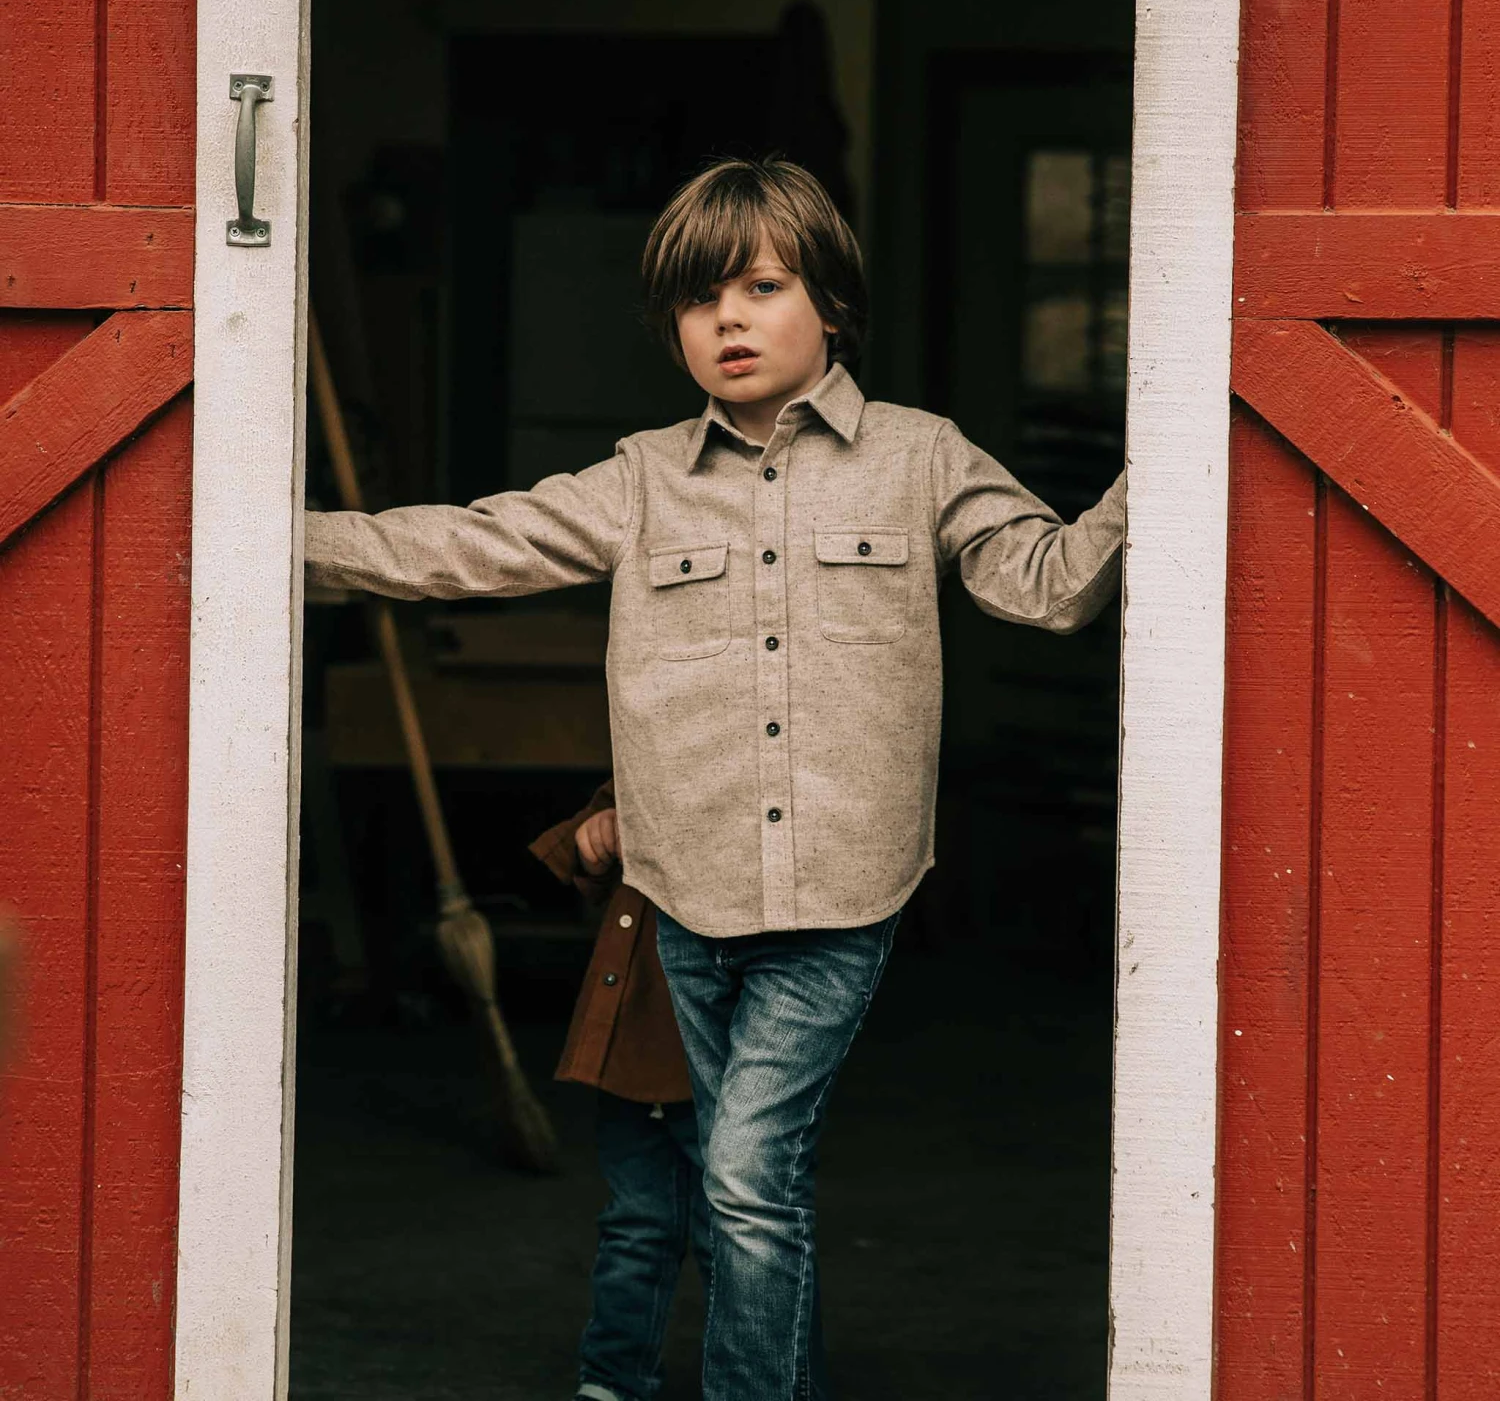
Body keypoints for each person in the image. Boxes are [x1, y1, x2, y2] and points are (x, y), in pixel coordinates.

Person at [305, 155, 1126, 1399]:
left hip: (843, 893)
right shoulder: (641, 477)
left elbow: (1049, 586)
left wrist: (1169, 454)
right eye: (699, 300)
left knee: (744, 1173)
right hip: (683, 892)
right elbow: (471, 543)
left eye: (760, 287)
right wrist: (269, 538)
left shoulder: (919, 456)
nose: (728, 320)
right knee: (732, 1179)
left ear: (832, 304)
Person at [528, 779, 709, 1401]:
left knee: (741, 1231)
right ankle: (613, 1379)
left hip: (724, 1038)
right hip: (637, 1035)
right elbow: (604, 816)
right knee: (636, 1223)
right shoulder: (648, 745)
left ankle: (760, 1380)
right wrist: (596, 833)